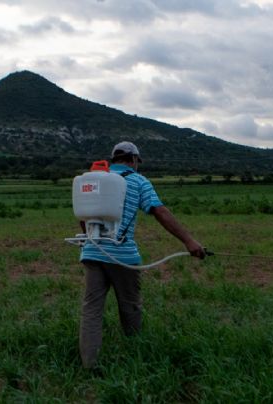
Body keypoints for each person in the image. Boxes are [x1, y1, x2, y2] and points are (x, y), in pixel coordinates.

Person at [79, 141, 206, 369]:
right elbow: (160, 211)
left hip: (92, 251)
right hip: (123, 255)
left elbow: (82, 213)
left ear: (114, 158)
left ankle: (89, 364)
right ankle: (134, 357)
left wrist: (90, 240)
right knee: (130, 306)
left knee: (91, 310)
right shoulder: (138, 181)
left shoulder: (94, 179)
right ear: (134, 159)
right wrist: (189, 241)